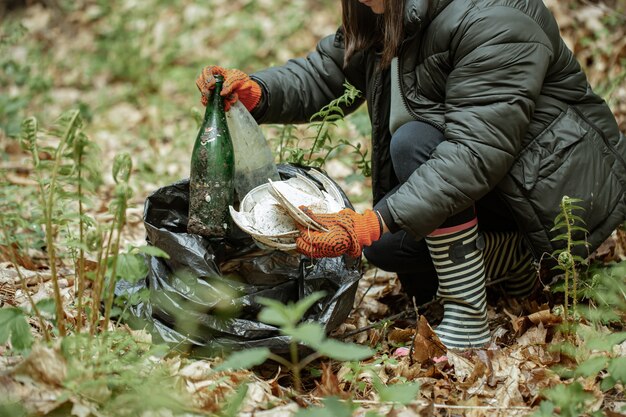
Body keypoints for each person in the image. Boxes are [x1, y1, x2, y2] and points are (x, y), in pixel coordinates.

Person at [196, 0, 626, 349]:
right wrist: (259, 92)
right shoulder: (390, 9)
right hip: (489, 189)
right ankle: (513, 259)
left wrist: (375, 219)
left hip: (555, 197)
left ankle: (469, 315)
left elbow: (475, 152)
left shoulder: (494, 16)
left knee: (413, 144)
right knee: (386, 250)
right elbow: (326, 72)